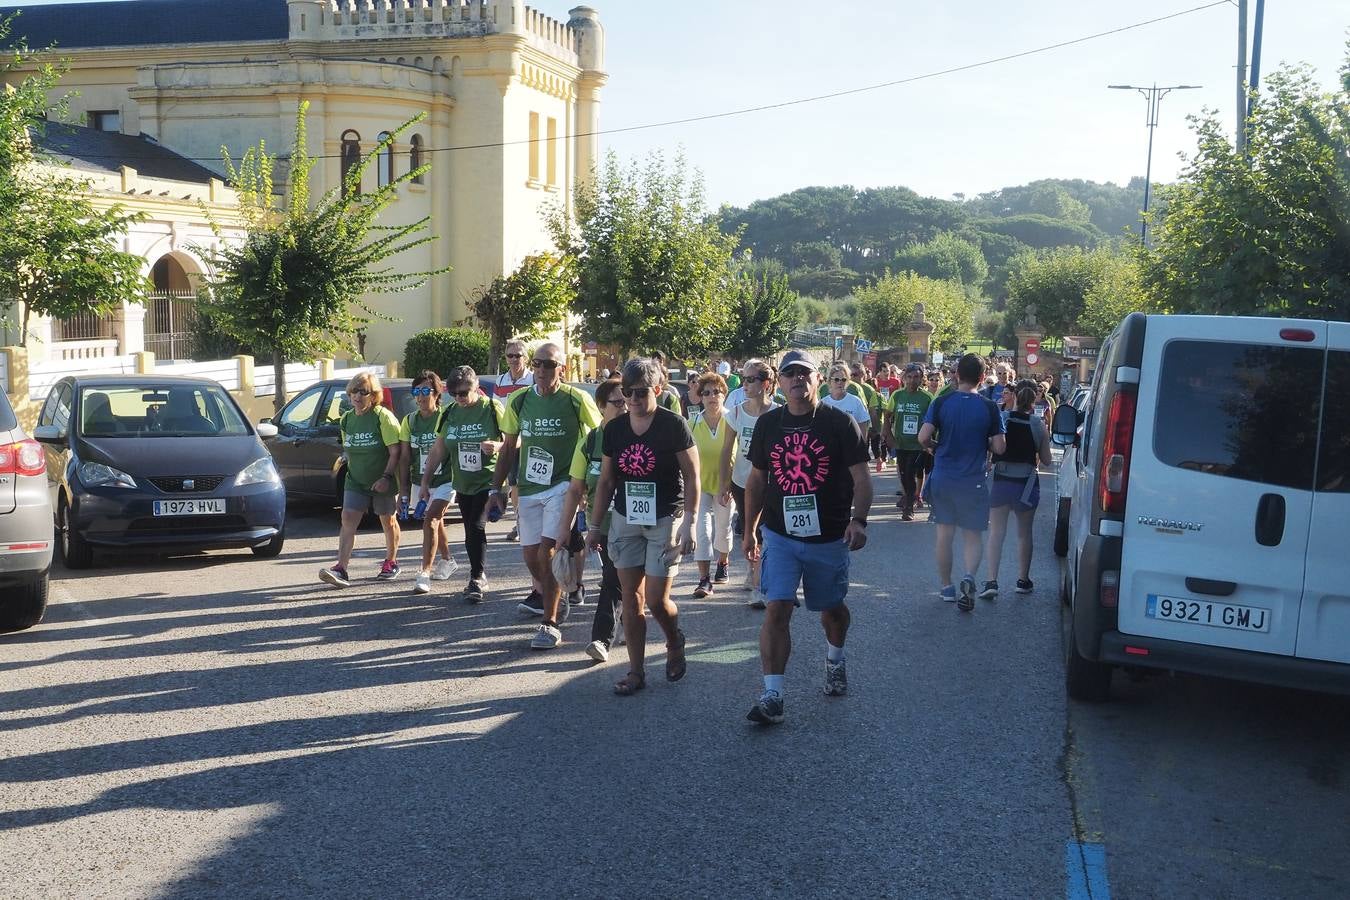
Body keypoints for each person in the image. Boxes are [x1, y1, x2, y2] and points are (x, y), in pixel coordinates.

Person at [743, 350, 872, 725]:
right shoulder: (769, 424)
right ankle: (773, 694)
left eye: (805, 373)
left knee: (831, 609)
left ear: (818, 380)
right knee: (776, 607)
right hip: (780, 535)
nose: (797, 379)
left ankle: (834, 660)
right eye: (790, 374)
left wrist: (859, 521)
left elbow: (862, 479)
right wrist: (750, 528)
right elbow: (756, 479)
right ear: (779, 383)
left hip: (828, 536)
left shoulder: (839, 423)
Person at [588, 358, 699, 695]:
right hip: (625, 518)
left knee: (655, 600)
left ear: (658, 390)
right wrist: (595, 526)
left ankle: (673, 638)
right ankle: (636, 672)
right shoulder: (615, 429)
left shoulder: (673, 425)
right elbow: (606, 481)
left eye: (640, 392)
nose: (633, 399)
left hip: (665, 517)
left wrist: (690, 522)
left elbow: (693, 477)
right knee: (631, 599)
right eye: (627, 392)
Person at [488, 342, 601, 649]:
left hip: (564, 484)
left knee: (546, 552)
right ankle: (557, 594)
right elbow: (509, 446)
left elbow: (599, 437)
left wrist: (589, 482)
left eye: (548, 365)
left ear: (560, 369)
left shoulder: (576, 399)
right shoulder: (519, 400)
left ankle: (549, 624)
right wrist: (495, 488)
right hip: (529, 487)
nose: (540, 370)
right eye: (537, 364)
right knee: (530, 556)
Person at [917, 354, 1006, 612]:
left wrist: (936, 447)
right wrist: (984, 442)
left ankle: (946, 586)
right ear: (981, 377)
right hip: (973, 480)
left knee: (944, 534)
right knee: (972, 534)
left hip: (944, 477)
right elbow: (999, 447)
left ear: (956, 375)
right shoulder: (989, 407)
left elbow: (923, 437)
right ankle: (969, 575)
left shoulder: (942, 402)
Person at [555, 377, 628, 663]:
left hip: (637, 522)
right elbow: (575, 488)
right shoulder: (590, 442)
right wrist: (564, 528)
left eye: (627, 400)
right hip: (603, 523)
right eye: (617, 402)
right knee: (613, 576)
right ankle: (602, 638)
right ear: (601, 407)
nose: (624, 406)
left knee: (619, 578)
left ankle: (618, 626)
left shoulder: (637, 435)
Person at [418, 366, 504, 601]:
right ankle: (478, 575)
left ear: (477, 386)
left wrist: (498, 446)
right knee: (469, 530)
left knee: (476, 526)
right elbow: (438, 449)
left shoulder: (492, 409)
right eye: (454, 394)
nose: (460, 398)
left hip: (489, 479)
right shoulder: (450, 413)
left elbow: (515, 441)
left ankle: (476, 578)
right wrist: (425, 482)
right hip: (463, 481)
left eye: (464, 393)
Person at [320, 372, 404, 587]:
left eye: (363, 392)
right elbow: (348, 448)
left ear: (373, 395)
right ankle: (341, 568)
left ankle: (391, 562)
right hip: (356, 479)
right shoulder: (347, 419)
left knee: (388, 519)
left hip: (382, 478)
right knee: (347, 518)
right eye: (353, 392)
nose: (357, 396)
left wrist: (386, 477)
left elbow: (395, 452)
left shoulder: (382, 417)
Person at [981, 380, 1054, 599]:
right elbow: (1048, 461)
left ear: (1014, 398)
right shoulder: (1038, 425)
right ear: (1033, 403)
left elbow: (990, 446)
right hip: (1026, 484)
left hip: (1001, 481)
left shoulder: (1002, 419)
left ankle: (992, 580)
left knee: (996, 533)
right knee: (1024, 534)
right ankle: (1023, 580)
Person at [720, 358, 778, 609]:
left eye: (751, 379)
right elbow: (726, 451)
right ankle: (752, 569)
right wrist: (724, 483)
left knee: (765, 533)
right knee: (748, 532)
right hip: (741, 482)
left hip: (771, 483)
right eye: (744, 378)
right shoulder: (736, 412)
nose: (745, 384)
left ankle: (759, 586)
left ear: (766, 384)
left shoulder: (778, 413)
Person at [398, 370, 458, 593]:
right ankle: (448, 559)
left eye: (426, 391)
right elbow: (404, 458)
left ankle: (424, 573)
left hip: (446, 479)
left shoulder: (446, 417)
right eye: (417, 391)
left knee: (431, 519)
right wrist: (403, 491)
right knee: (436, 520)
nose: (421, 396)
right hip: (419, 481)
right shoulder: (409, 421)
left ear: (436, 393)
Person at [690, 372, 733, 598]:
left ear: (724, 394)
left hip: (725, 486)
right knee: (702, 530)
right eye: (706, 393)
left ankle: (723, 562)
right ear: (700, 397)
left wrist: (730, 485)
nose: (711, 396)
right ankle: (704, 580)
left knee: (724, 529)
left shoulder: (732, 420)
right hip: (701, 486)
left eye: (716, 391)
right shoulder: (693, 422)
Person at [494, 338, 535, 543]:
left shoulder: (533, 379)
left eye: (518, 355)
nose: (513, 359)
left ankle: (524, 523)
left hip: (527, 439)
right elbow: (497, 409)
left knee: (522, 482)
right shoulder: (500, 380)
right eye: (510, 355)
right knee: (513, 483)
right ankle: (520, 523)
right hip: (506, 439)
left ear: (526, 358)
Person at [884, 363, 934, 522]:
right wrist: (888, 435)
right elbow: (888, 415)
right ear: (904, 378)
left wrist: (929, 442)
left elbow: (934, 420)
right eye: (910, 377)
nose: (912, 380)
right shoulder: (897, 395)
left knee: (911, 473)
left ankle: (909, 507)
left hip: (918, 445)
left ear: (921, 379)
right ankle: (909, 498)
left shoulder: (927, 398)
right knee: (904, 474)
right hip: (901, 443)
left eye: (916, 377)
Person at [849, 362, 884, 472]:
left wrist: (875, 429)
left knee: (866, 448)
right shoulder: (846, 386)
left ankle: (866, 470)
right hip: (850, 425)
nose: (852, 377)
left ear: (862, 375)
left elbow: (872, 411)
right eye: (850, 374)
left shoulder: (869, 390)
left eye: (854, 375)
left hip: (865, 425)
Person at [821, 363, 872, 430]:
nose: (840, 382)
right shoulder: (822, 403)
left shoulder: (856, 402)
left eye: (843, 380)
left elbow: (863, 425)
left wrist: (862, 440)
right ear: (830, 381)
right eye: (836, 379)